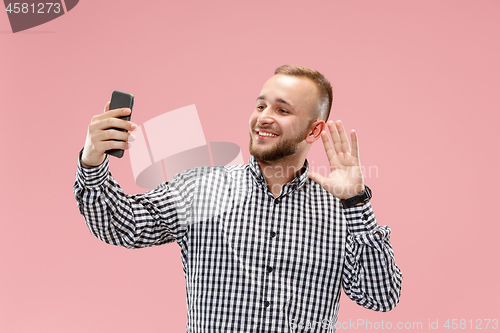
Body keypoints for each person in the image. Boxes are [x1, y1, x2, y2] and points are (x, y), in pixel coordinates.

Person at [74, 64, 402, 332]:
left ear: (314, 131)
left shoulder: (340, 210)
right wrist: (92, 160)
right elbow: (122, 225)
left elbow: (381, 296)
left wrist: (356, 202)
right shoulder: (200, 189)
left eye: (282, 110)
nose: (263, 117)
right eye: (261, 105)